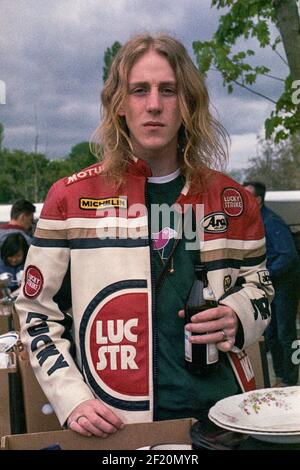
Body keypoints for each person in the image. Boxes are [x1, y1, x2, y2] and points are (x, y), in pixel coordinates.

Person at [16, 34, 274, 438]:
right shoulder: (69, 197)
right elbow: (35, 311)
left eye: (168, 90)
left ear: (187, 102)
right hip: (118, 423)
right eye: (140, 90)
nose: (154, 104)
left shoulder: (232, 199)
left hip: (225, 417)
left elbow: (261, 288)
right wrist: (72, 398)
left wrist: (238, 315)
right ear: (120, 104)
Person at [243, 181, 299, 387]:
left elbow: (288, 255)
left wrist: (264, 275)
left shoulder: (272, 222)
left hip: (284, 286)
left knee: (287, 334)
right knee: (272, 334)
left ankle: (292, 380)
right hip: (271, 288)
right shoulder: (255, 221)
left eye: (246, 195)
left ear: (257, 200)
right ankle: (280, 378)